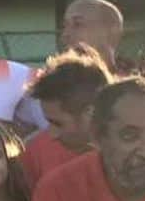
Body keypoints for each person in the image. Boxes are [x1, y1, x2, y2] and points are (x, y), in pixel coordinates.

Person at [23, 47, 113, 190]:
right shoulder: (36, 153)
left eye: (57, 124)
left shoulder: (138, 159)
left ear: (91, 114)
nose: (52, 135)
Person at [60, 0, 125, 72]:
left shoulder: (132, 82)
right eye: (65, 26)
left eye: (78, 24)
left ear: (112, 30)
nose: (65, 34)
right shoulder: (52, 81)